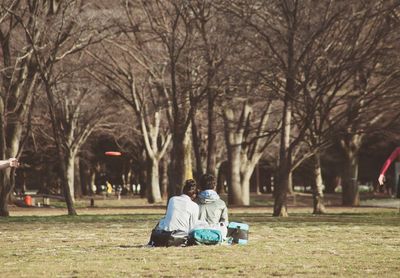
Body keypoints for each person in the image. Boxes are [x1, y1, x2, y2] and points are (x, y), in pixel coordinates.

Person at [149, 179, 199, 246]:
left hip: (163, 236)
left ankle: (151, 242)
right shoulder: (194, 206)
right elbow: (192, 227)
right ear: (194, 194)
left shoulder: (172, 199)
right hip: (180, 238)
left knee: (162, 220)